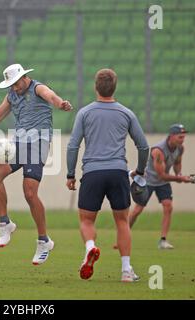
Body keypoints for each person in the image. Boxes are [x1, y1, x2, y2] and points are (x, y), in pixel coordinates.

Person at [0, 63, 72, 265]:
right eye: (11, 84)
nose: (14, 88)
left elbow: (51, 96)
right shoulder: (11, 96)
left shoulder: (37, 88)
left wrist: (60, 104)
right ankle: (5, 223)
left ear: (24, 77)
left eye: (16, 83)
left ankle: (44, 241)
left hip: (38, 143)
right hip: (18, 143)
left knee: (30, 193)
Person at [66, 68, 149, 282]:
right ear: (115, 87)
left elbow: (73, 146)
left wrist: (70, 174)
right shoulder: (126, 113)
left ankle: (91, 247)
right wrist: (139, 171)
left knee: (86, 220)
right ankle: (126, 271)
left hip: (93, 172)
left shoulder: (84, 113)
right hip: (118, 171)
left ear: (96, 87)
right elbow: (143, 146)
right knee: (122, 221)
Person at [127, 124, 191, 249]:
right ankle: (123, 235)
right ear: (171, 136)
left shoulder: (180, 148)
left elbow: (177, 163)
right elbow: (161, 175)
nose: (182, 139)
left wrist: (179, 174)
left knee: (168, 206)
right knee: (137, 211)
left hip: (163, 183)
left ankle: (163, 241)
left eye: (183, 137)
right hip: (148, 181)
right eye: (180, 137)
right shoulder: (158, 150)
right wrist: (179, 179)